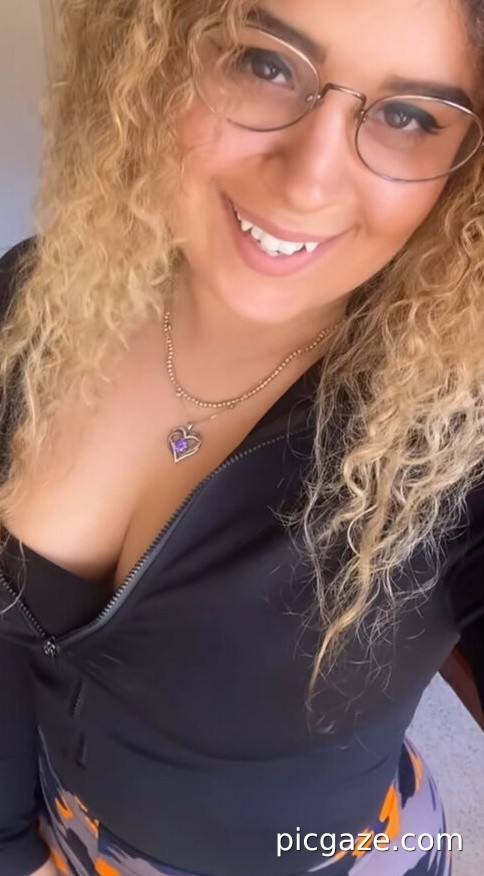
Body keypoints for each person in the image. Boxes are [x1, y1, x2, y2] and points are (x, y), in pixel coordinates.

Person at [0, 0, 483, 874]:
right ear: (156, 57)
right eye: (266, 65)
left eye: (411, 116)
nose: (308, 182)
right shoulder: (37, 297)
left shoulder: (456, 433)